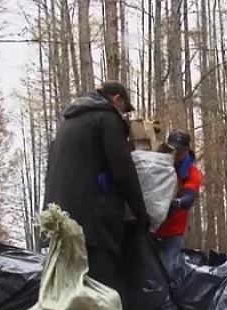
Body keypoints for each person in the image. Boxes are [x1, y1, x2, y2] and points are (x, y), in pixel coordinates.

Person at [42, 81, 149, 296]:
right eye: (124, 109)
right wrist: (140, 213)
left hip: (58, 217)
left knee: (70, 287)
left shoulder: (70, 123)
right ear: (116, 99)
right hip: (91, 221)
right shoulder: (107, 118)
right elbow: (122, 169)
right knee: (104, 288)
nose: (124, 115)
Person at [153, 129, 203, 277]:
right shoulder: (158, 165)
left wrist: (174, 204)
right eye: (173, 149)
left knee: (171, 272)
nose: (176, 154)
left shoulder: (192, 173)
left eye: (180, 151)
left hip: (173, 234)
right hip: (151, 232)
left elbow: (188, 198)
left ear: (187, 150)